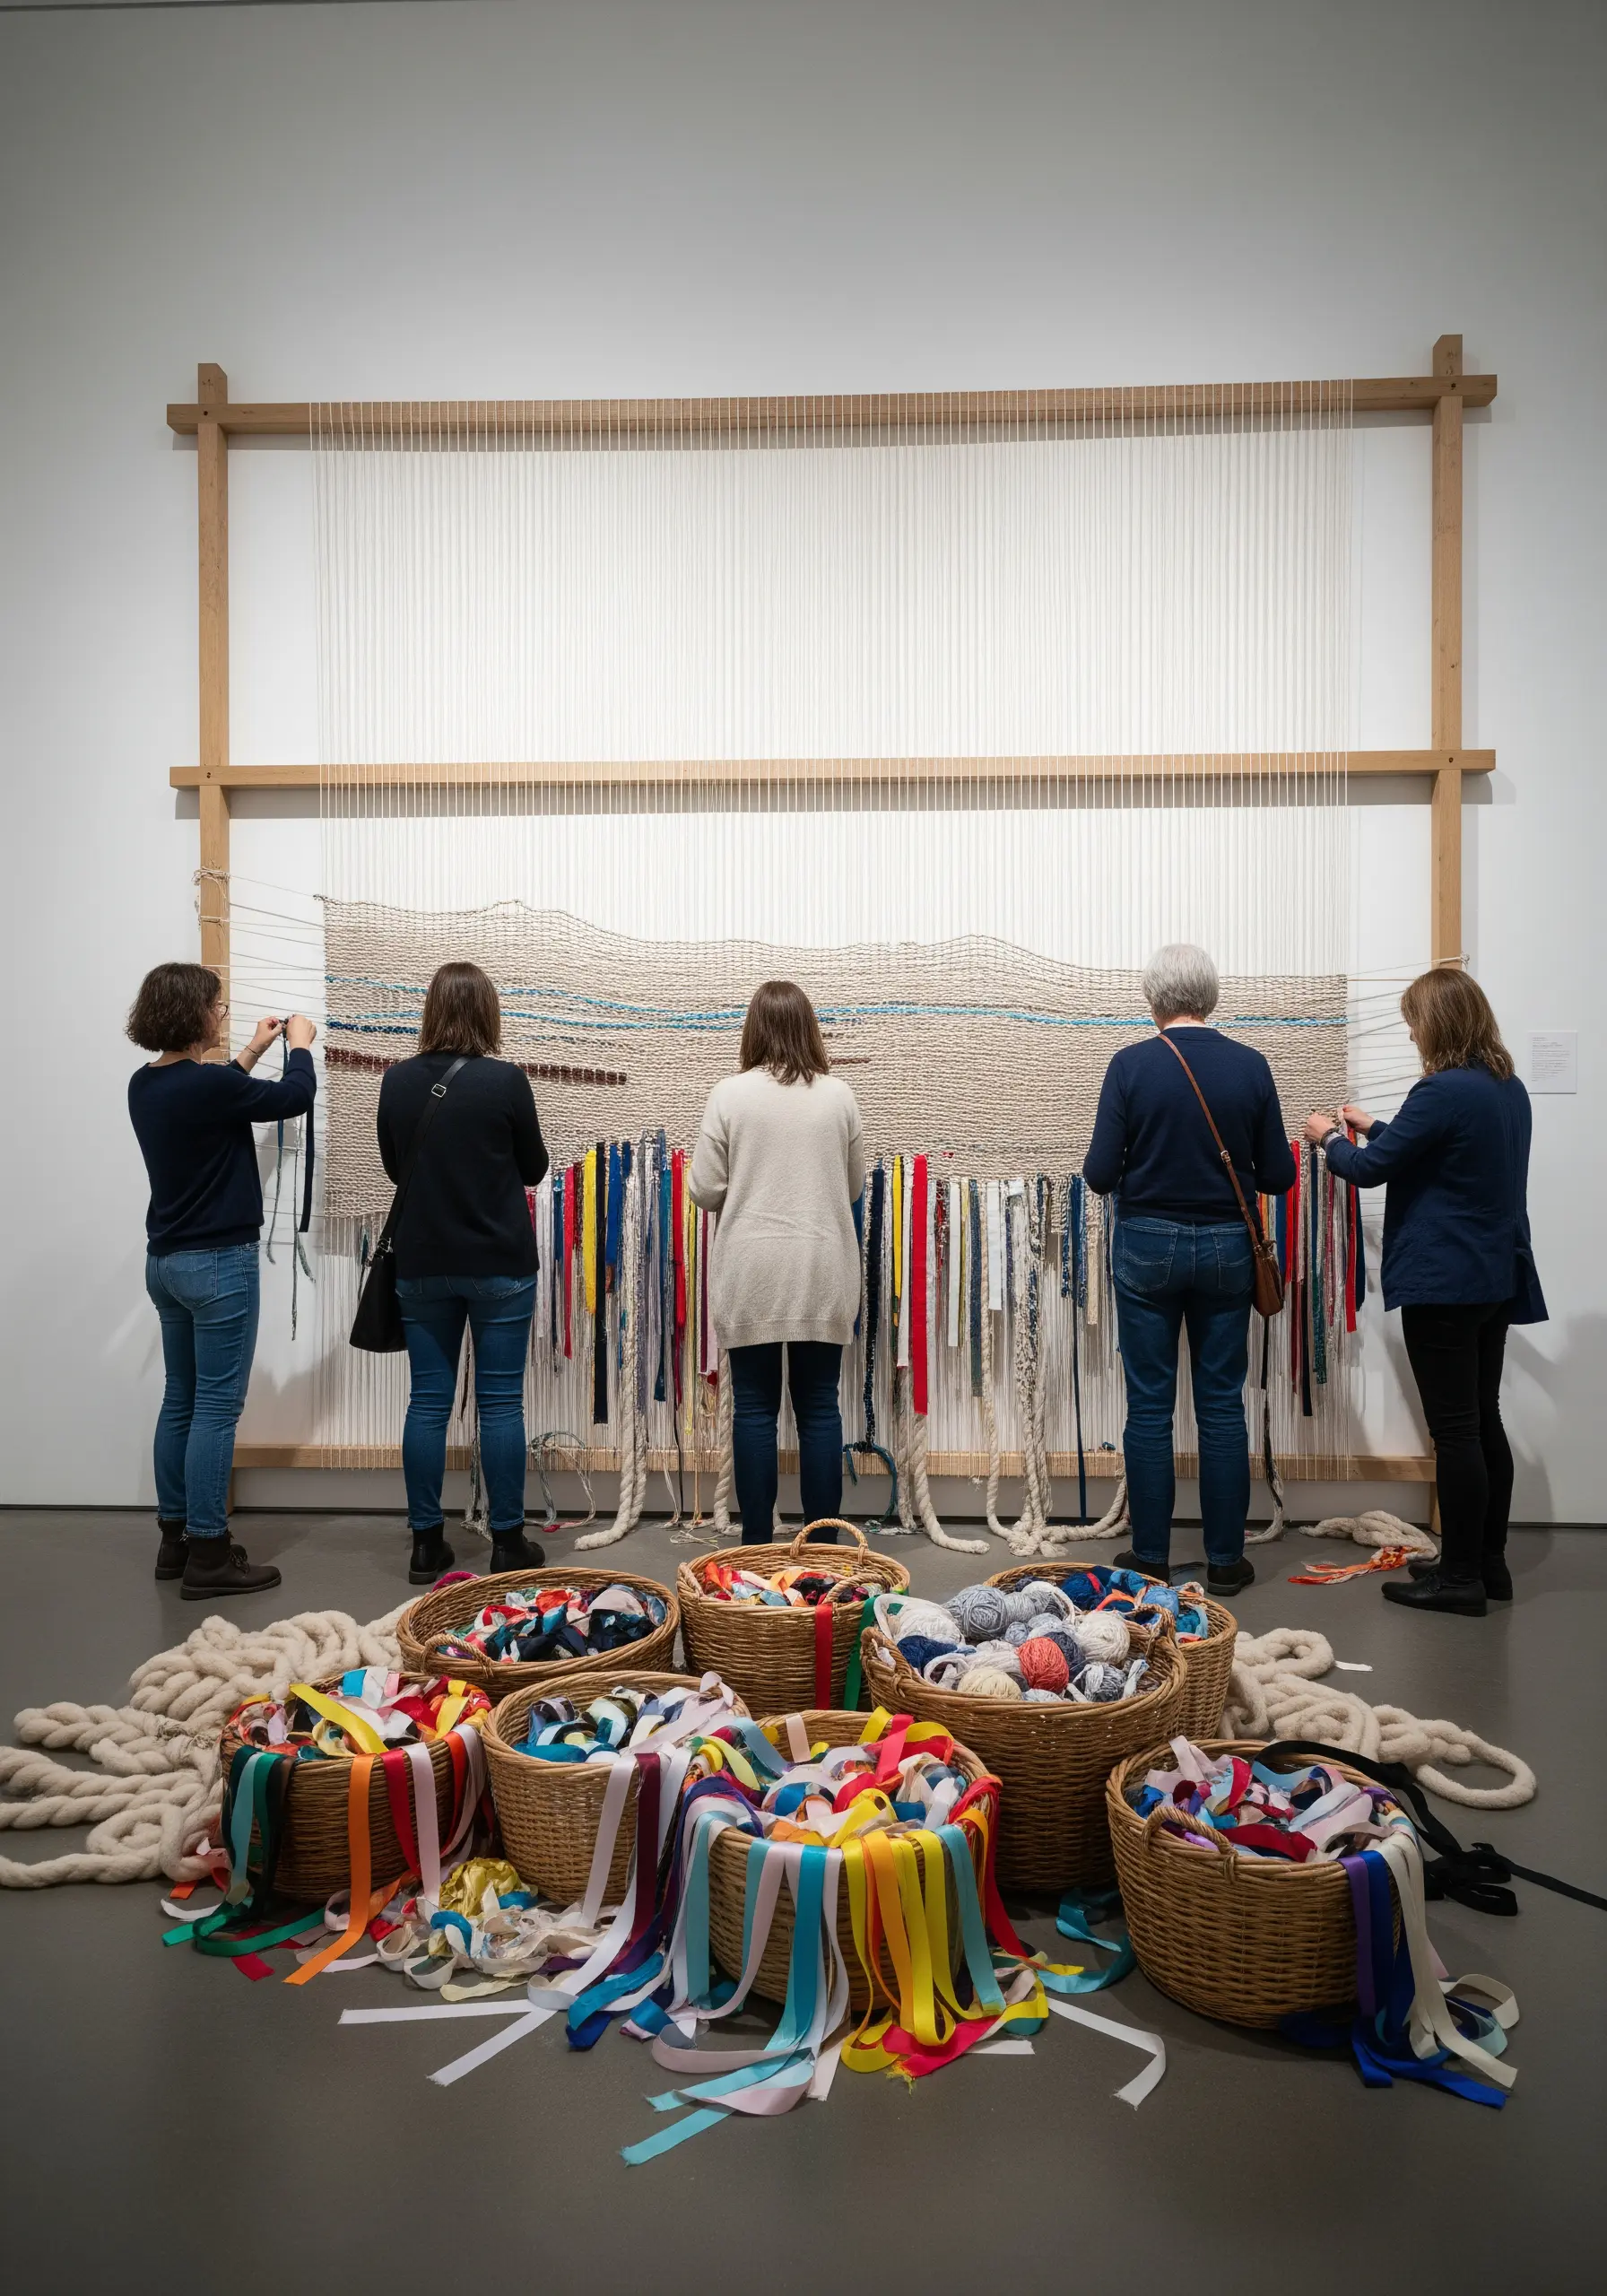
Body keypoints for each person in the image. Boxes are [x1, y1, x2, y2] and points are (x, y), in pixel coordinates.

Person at [1305, 967, 1543, 1617]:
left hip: (1446, 1281)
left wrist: (1328, 1135)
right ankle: (1488, 1566)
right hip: (1494, 1274)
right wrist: (1377, 1123)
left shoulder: (1438, 1091)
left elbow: (1367, 1170)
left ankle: (1459, 1580)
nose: (1409, 1031)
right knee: (1481, 1417)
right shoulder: (1506, 1088)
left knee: (1456, 1431)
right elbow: (1442, 1155)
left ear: (1436, 1023)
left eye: (1414, 1019)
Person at [1083, 943, 1295, 1596]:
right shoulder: (1250, 1066)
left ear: (1154, 1000)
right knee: (1220, 1407)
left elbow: (1098, 1175)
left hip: (1146, 1244)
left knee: (1149, 1408)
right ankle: (1227, 1561)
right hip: (1230, 1248)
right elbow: (1281, 1176)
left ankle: (1148, 1558)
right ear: (1210, 997)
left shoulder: (1130, 1065)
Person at [127, 962, 317, 1597]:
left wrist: (249, 1053)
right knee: (215, 1407)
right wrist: (298, 1048)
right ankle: (211, 1555)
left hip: (167, 1264)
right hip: (217, 1265)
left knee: (180, 1399)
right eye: (217, 1006)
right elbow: (292, 1098)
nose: (223, 1014)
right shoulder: (205, 1087)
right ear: (192, 1015)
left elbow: (211, 1098)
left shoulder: (145, 1085)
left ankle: (174, 1541)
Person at [377, 960, 550, 1584]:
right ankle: (507, 1542)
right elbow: (533, 1169)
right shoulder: (506, 1081)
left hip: (422, 1263)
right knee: (500, 1404)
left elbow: (398, 1169)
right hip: (500, 1262)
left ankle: (427, 1543)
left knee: (427, 1401)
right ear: (488, 1013)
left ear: (430, 1010)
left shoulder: (395, 1082)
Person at [689, 980, 865, 1544]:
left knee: (756, 1410)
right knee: (819, 1407)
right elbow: (855, 1185)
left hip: (752, 1268)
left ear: (754, 1029)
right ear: (809, 1028)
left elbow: (703, 1189)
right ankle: (824, 1549)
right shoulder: (839, 1097)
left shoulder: (729, 1095)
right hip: (822, 1264)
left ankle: (757, 1547)